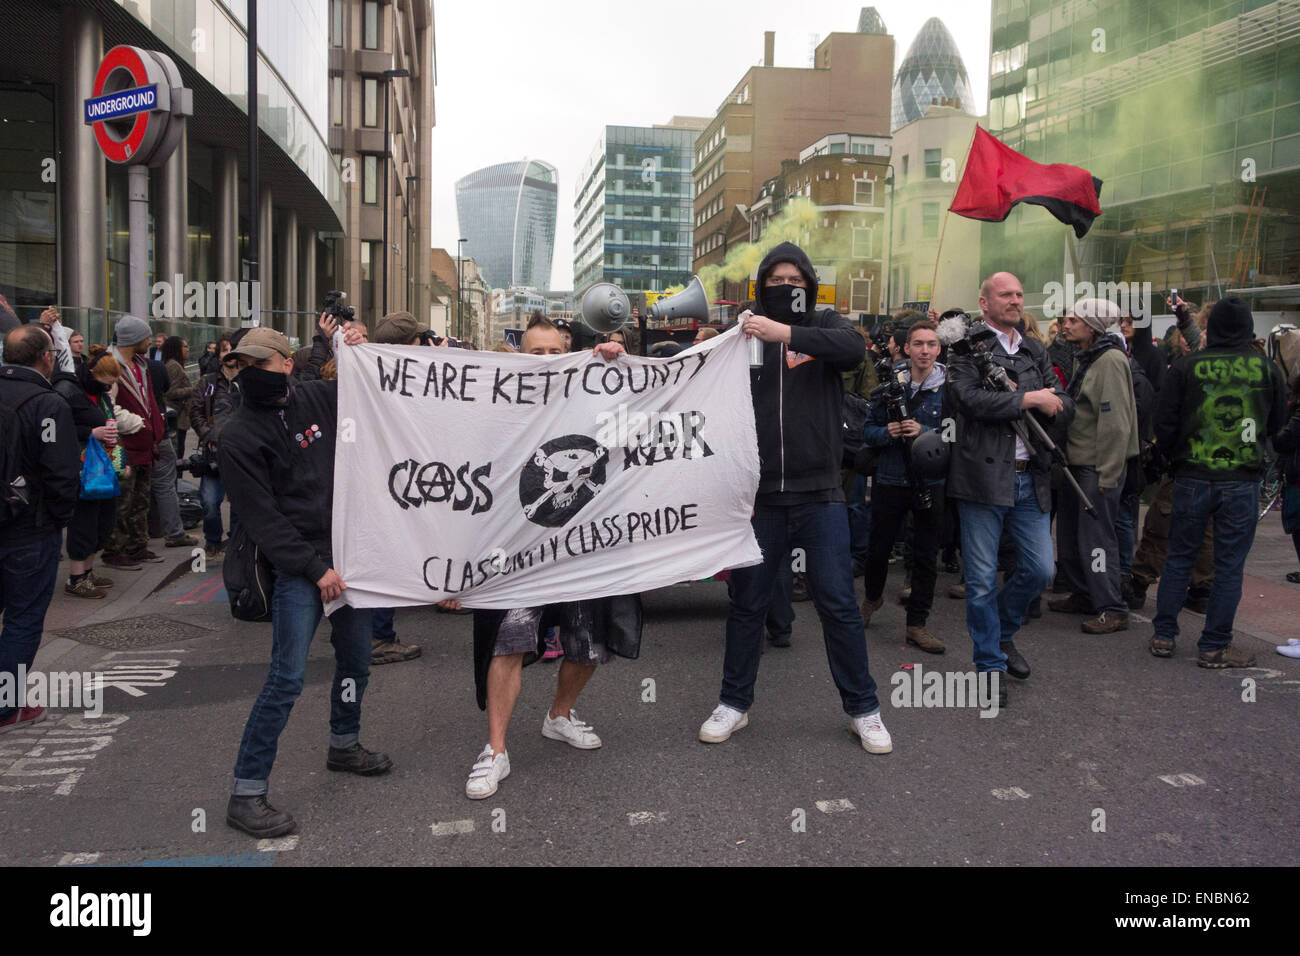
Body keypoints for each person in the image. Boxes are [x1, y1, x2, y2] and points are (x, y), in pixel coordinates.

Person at [698, 242, 891, 753]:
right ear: (762, 286)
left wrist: (783, 332)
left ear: (808, 284)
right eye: (776, 281)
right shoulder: (742, 334)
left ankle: (864, 709)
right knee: (747, 605)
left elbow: (853, 351)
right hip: (758, 497)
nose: (787, 288)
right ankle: (733, 703)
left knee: (838, 606)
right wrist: (614, 355)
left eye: (795, 280)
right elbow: (685, 377)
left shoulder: (827, 325)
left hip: (821, 494)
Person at [445, 315, 633, 799]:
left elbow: (638, 407)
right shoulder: (496, 399)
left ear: (569, 351)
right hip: (515, 549)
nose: (547, 361)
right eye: (537, 353)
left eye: (555, 353)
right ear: (520, 354)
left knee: (589, 643)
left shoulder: (591, 390)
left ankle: (560, 715)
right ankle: (496, 750)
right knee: (507, 643)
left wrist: (615, 359)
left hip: (581, 543)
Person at [220, 324, 390, 837]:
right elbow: (262, 518)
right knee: (286, 678)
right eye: (243, 366)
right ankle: (246, 792)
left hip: (350, 559)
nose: (251, 374)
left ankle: (344, 744)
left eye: (261, 364)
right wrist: (317, 570)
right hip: (301, 570)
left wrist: (362, 352)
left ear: (287, 362)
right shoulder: (236, 435)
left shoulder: (319, 397)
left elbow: (391, 393)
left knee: (356, 663)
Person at [946, 272, 1074, 703]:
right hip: (982, 478)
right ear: (984, 302)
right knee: (981, 580)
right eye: (1006, 295)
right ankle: (989, 664)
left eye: (1020, 294)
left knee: (1041, 570)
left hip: (1030, 476)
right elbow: (968, 401)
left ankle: (1001, 632)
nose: (1016, 300)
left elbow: (1064, 400)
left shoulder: (1036, 349)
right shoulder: (965, 349)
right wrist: (1027, 399)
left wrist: (1054, 403)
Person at [1149, 297, 1287, 667]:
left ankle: (1163, 636)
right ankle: (1214, 645)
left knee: (1178, 558)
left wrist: (1172, 456)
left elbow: (1164, 422)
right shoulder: (1265, 368)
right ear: (1247, 328)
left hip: (1192, 476)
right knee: (1228, 566)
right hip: (1241, 481)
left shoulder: (1188, 364)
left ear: (1215, 326)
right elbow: (1277, 426)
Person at [0, 325, 80, 732]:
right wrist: (59, 519)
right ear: (46, 357)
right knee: (23, 617)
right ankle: (6, 706)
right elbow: (62, 472)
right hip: (29, 529)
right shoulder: (47, 403)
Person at [1047, 299, 1138, 633]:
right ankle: (1084, 593)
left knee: (1097, 539)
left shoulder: (1110, 360)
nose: (1065, 325)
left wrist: (1109, 472)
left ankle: (1111, 607)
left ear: (1093, 326)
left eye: (1074, 319)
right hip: (1078, 463)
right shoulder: (1088, 357)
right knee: (1072, 536)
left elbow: (1115, 423)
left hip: (1097, 467)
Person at [860, 319, 947, 653]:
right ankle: (871, 599)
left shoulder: (949, 389)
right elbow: (867, 431)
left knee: (925, 556)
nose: (924, 351)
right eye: (918, 344)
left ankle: (917, 624)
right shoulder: (887, 388)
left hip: (930, 481)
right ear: (907, 347)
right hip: (891, 478)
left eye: (931, 344)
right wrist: (889, 433)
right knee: (878, 548)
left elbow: (956, 434)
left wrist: (924, 431)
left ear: (938, 349)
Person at [366, 311, 431, 665]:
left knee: (377, 556)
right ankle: (378, 636)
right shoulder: (409, 379)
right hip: (393, 485)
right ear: (411, 344)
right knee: (385, 559)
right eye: (420, 340)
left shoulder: (368, 374)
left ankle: (367, 631)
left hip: (381, 481)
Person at [53, 346, 127, 599]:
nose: (108, 388)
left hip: (102, 465)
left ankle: (87, 571)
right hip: (83, 466)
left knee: (102, 520)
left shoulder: (98, 394)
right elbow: (58, 428)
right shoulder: (69, 391)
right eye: (105, 382)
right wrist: (90, 433)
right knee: (84, 520)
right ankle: (76, 577)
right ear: (92, 373)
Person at [101, 316, 167, 568]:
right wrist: (139, 423)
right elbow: (108, 408)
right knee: (122, 501)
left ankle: (137, 546)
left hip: (144, 443)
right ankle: (114, 551)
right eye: (147, 337)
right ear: (134, 339)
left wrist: (154, 424)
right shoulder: (111, 365)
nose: (150, 341)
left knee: (141, 500)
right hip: (123, 445)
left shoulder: (140, 363)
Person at [189, 341, 242, 560]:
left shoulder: (247, 382)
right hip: (213, 452)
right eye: (224, 350)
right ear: (219, 354)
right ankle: (213, 541)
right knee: (210, 502)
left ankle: (237, 542)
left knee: (241, 504)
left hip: (240, 453)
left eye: (232, 350)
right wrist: (208, 436)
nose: (228, 354)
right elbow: (196, 412)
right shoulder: (207, 382)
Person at [161, 336, 194, 461]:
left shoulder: (175, 365)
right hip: (176, 419)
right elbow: (170, 392)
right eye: (185, 346)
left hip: (179, 419)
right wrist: (192, 390)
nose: (188, 349)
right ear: (176, 349)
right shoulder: (173, 366)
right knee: (177, 456)